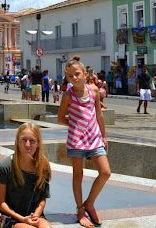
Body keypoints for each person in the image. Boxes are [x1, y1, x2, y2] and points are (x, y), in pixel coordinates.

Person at [58, 56, 110, 228]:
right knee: (78, 175)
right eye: (70, 76)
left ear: (85, 74)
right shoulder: (68, 95)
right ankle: (80, 210)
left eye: (77, 74)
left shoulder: (94, 91)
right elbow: (60, 118)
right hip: (76, 140)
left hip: (94, 138)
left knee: (105, 172)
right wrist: (75, 126)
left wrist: (103, 135)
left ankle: (90, 203)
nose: (74, 78)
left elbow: (99, 114)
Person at [0, 123, 52, 228]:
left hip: (34, 216)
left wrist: (36, 215)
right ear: (17, 141)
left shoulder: (43, 167)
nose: (27, 145)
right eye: (23, 140)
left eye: (32, 141)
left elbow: (43, 198)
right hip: (11, 218)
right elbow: (1, 203)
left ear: (38, 143)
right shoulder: (6, 166)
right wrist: (22, 219)